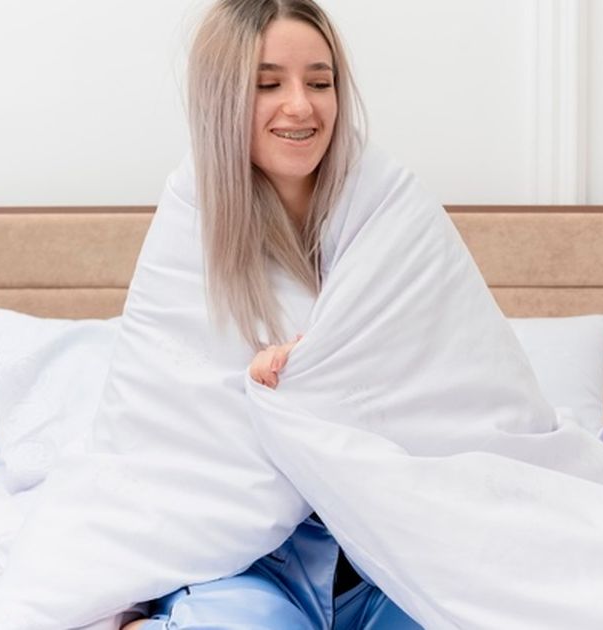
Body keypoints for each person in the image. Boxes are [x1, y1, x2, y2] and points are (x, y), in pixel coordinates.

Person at [121, 1, 422, 628]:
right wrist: (262, 397)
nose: (300, 106)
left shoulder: (388, 206)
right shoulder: (193, 219)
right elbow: (167, 424)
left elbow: (445, 378)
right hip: (242, 561)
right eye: (267, 85)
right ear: (223, 98)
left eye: (319, 82)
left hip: (381, 552)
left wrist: (323, 376)